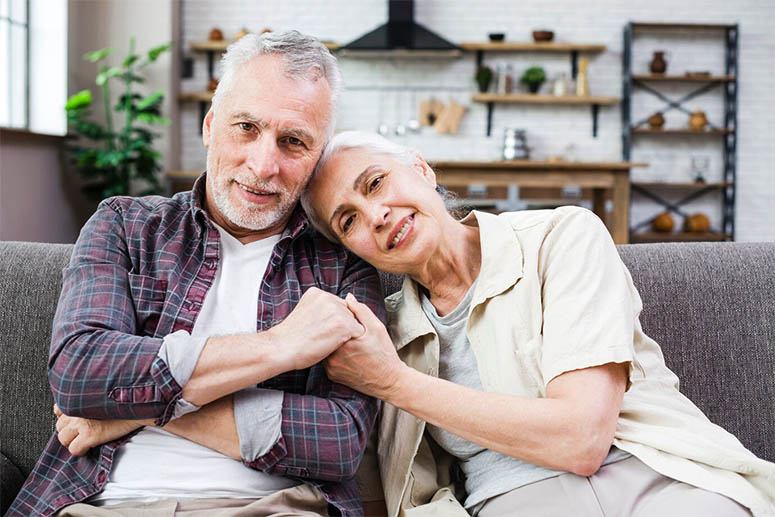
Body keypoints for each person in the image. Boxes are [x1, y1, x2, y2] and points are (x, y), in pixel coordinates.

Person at [299, 131, 775, 517]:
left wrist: (392, 382)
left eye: (376, 183)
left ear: (421, 169)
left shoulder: (561, 237)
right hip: (515, 501)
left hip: (655, 477)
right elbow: (412, 488)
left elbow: (582, 438)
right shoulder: (388, 334)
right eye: (348, 221)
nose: (376, 216)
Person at [8, 33, 385, 517]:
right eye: (246, 127)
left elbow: (339, 439)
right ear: (210, 126)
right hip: (98, 503)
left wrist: (130, 411)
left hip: (275, 507)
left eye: (293, 141)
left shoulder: (343, 263)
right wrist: (281, 346)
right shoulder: (125, 224)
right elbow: (80, 372)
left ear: (318, 157)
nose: (264, 165)